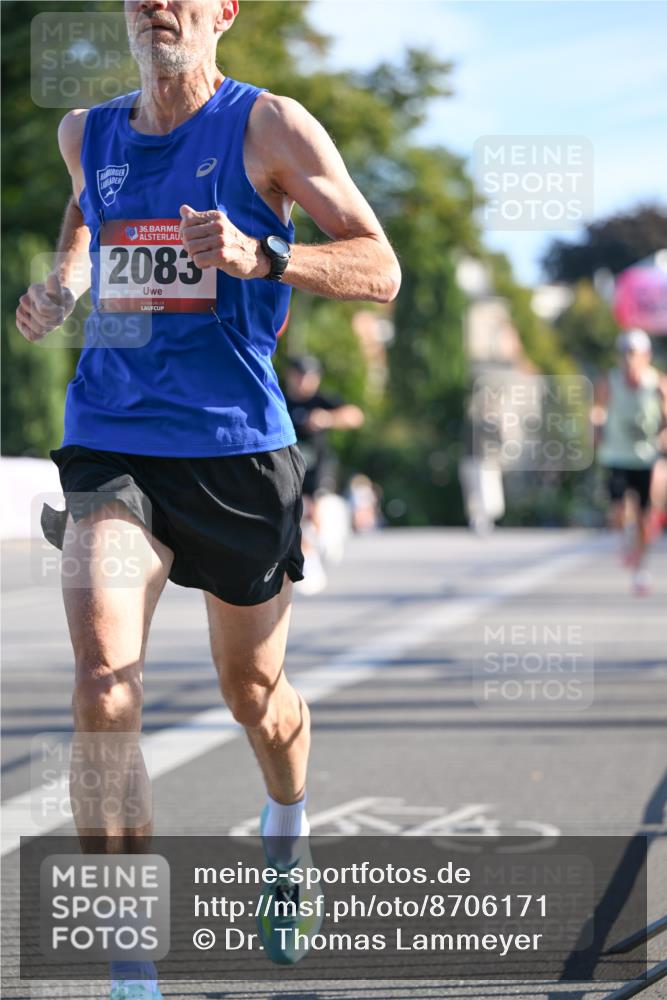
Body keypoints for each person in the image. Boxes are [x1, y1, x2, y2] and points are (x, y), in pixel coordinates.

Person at [16, 1, 401, 995]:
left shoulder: (267, 126)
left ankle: (286, 827)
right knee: (105, 685)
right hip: (112, 438)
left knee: (254, 698)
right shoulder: (85, 132)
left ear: (222, 12)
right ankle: (131, 963)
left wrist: (264, 256)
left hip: (236, 452)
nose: (156, 5)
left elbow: (380, 268)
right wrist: (63, 280)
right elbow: (83, 209)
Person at [592, 329, 667, 595]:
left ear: (646, 356)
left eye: (633, 353)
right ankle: (626, 537)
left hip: (646, 457)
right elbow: (598, 409)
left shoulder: (658, 383)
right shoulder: (609, 381)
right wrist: (596, 429)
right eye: (624, 353)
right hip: (617, 454)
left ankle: (641, 570)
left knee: (645, 517)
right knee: (618, 510)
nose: (628, 359)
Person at [283, 355, 365, 593]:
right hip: (290, 465)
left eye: (310, 377)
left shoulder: (321, 400)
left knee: (316, 510)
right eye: (300, 377)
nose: (304, 382)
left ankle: (321, 543)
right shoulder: (282, 399)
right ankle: (308, 555)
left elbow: (354, 415)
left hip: (318, 467)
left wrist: (328, 418)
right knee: (297, 512)